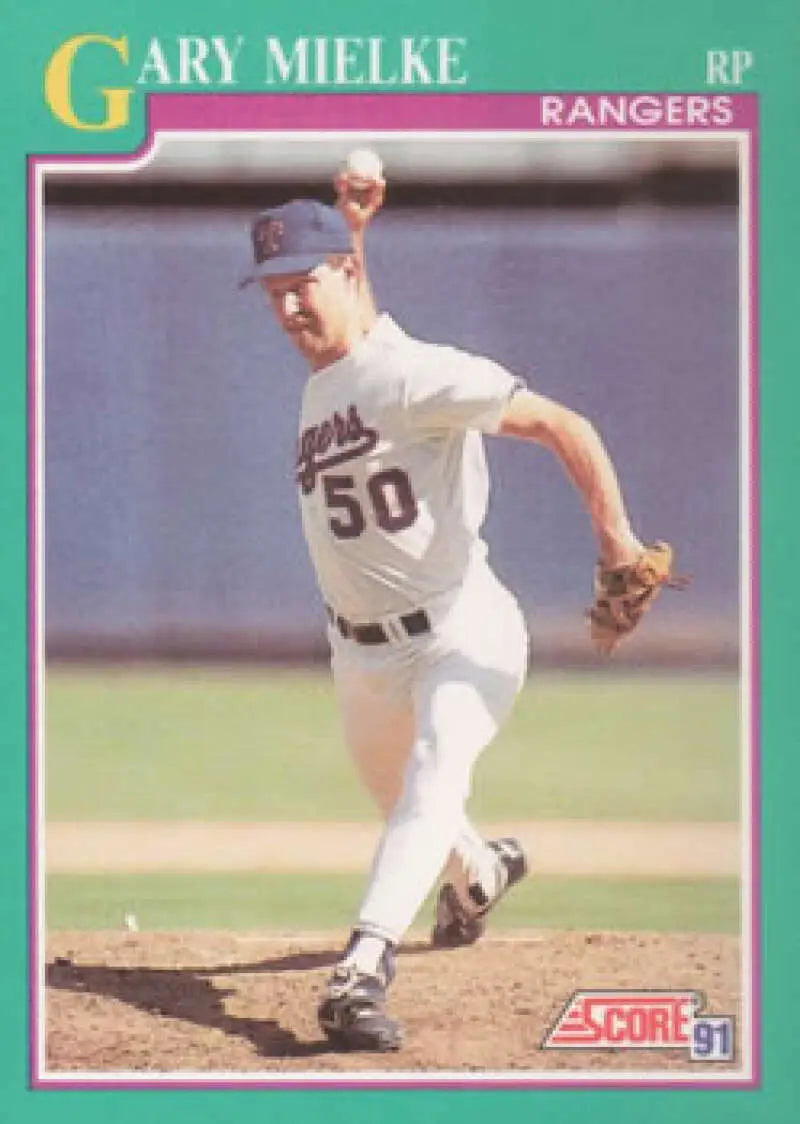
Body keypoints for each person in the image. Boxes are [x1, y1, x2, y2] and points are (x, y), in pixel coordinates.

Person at [240, 180, 644, 1053]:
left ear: (344, 275)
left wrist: (616, 540)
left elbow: (560, 422)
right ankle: (485, 871)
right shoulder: (337, 378)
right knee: (417, 813)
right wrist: (354, 233)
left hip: (464, 631)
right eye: (273, 290)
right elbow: (368, 339)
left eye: (302, 282)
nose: (287, 304)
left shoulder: (419, 373)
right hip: (359, 660)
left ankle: (359, 972)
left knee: (433, 770)